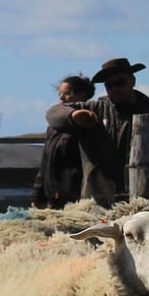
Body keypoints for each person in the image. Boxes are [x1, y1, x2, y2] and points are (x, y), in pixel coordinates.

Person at [47, 57, 149, 204]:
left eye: (120, 83)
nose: (115, 89)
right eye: (109, 85)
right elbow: (53, 113)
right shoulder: (95, 109)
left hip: (143, 198)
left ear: (132, 81)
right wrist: (73, 116)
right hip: (98, 200)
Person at [36, 74, 96, 208]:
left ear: (82, 94)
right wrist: (38, 193)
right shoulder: (54, 126)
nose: (61, 98)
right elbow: (46, 160)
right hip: (52, 195)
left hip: (75, 196)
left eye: (67, 93)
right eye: (60, 93)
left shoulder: (89, 122)